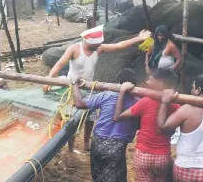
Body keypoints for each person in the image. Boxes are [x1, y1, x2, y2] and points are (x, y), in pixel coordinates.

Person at [42, 25, 151, 165]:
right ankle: (70, 149)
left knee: (90, 118)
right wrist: (49, 80)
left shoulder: (98, 48)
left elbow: (119, 45)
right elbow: (59, 64)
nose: (99, 45)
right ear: (87, 41)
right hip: (73, 88)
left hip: (90, 86)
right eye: (96, 43)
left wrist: (139, 38)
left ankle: (87, 143)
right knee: (72, 120)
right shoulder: (74, 49)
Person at [113, 68, 203, 182]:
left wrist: (121, 91)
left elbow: (118, 116)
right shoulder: (176, 106)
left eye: (150, 79)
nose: (147, 81)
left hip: (143, 155)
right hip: (162, 156)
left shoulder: (145, 101)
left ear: (160, 83)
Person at [72, 68, 139, 182]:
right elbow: (138, 125)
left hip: (98, 142)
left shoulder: (106, 95)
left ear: (118, 82)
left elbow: (79, 103)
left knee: (98, 176)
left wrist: (74, 84)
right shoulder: (138, 102)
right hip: (117, 147)